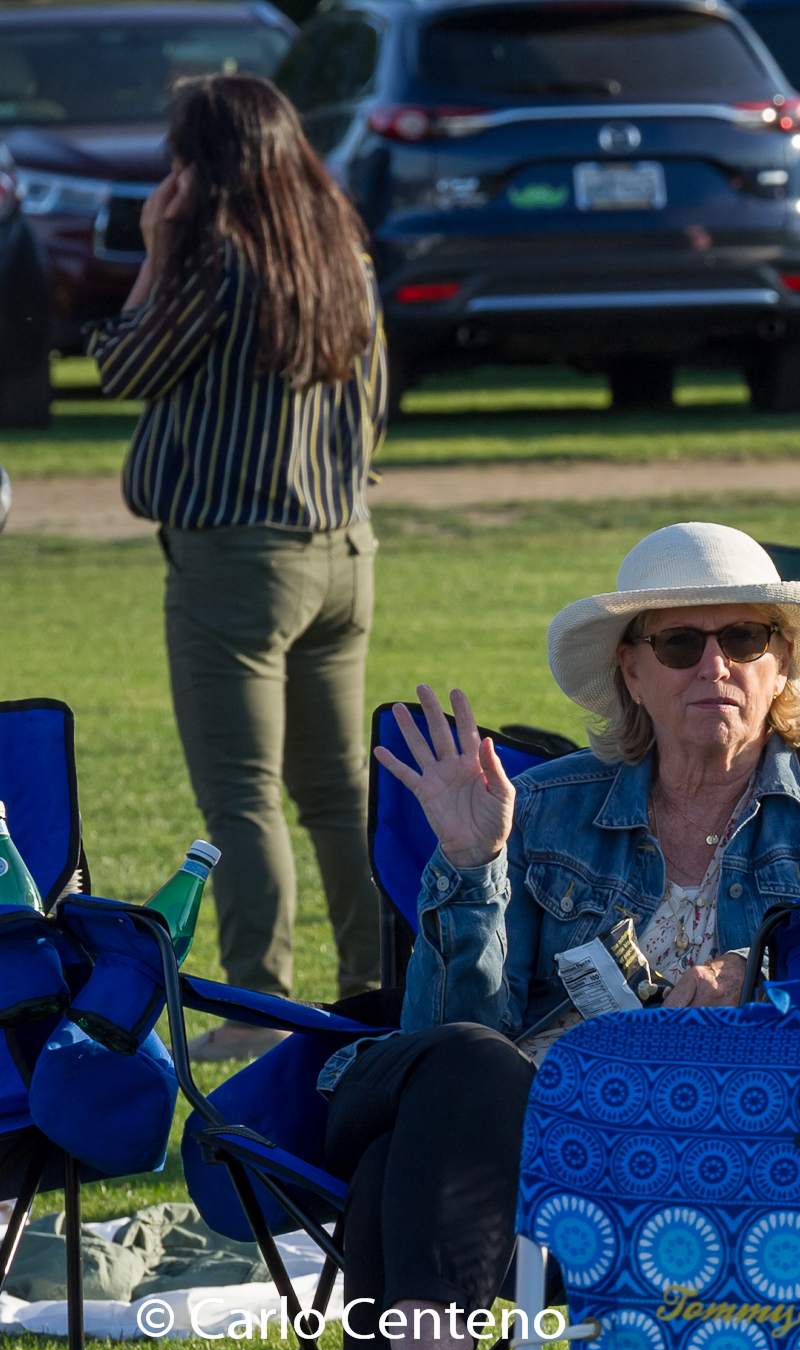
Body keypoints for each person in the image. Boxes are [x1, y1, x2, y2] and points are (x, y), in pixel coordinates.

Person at [335, 521, 800, 1350]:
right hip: (556, 1158)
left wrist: (769, 979)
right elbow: (451, 1032)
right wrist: (474, 867)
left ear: (780, 666)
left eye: (743, 638)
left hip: (756, 1160)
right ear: (633, 672)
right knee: (464, 1069)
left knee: (382, 1172)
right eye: (681, 643)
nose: (714, 664)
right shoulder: (547, 807)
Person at [91, 75, 388, 1057]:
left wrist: (154, 247)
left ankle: (258, 1007)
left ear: (208, 165)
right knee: (337, 793)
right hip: (344, 550)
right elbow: (374, 408)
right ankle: (376, 986)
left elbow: (121, 367)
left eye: (181, 159)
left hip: (237, 562)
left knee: (244, 794)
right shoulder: (344, 256)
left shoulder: (219, 261)